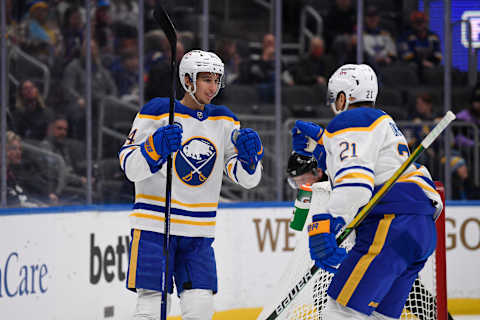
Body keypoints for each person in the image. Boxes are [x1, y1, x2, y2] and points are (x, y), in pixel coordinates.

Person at [119, 49, 263, 319]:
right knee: (151, 307)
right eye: (206, 79)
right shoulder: (158, 111)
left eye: (216, 79)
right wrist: (154, 148)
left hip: (198, 232)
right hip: (154, 226)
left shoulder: (224, 119)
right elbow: (129, 166)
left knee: (200, 308)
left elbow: (247, 180)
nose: (213, 86)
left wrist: (250, 160)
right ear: (187, 80)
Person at [291, 64, 443, 319]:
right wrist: (324, 144)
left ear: (342, 98)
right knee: (378, 316)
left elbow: (356, 185)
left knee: (341, 312)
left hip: (390, 224)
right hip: (420, 229)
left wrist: (328, 221)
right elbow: (368, 165)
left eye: (334, 99)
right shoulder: (382, 121)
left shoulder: (349, 120)